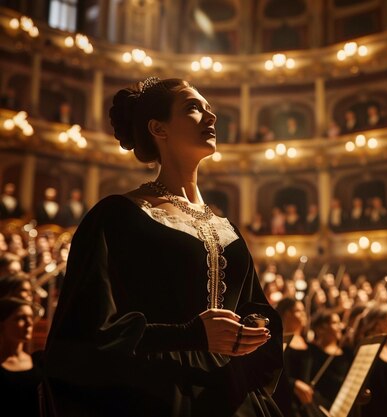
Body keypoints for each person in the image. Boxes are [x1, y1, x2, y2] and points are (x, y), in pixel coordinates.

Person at [42, 78, 282, 417]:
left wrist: (256, 325)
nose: (211, 117)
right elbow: (84, 334)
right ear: (158, 128)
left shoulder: (226, 226)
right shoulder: (117, 216)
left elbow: (252, 303)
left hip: (233, 393)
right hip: (159, 394)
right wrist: (188, 335)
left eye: (209, 108)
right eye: (193, 108)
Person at [0, 298, 42, 417]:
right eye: (21, 318)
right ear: (2, 324)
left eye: (30, 317)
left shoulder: (37, 361)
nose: (29, 323)